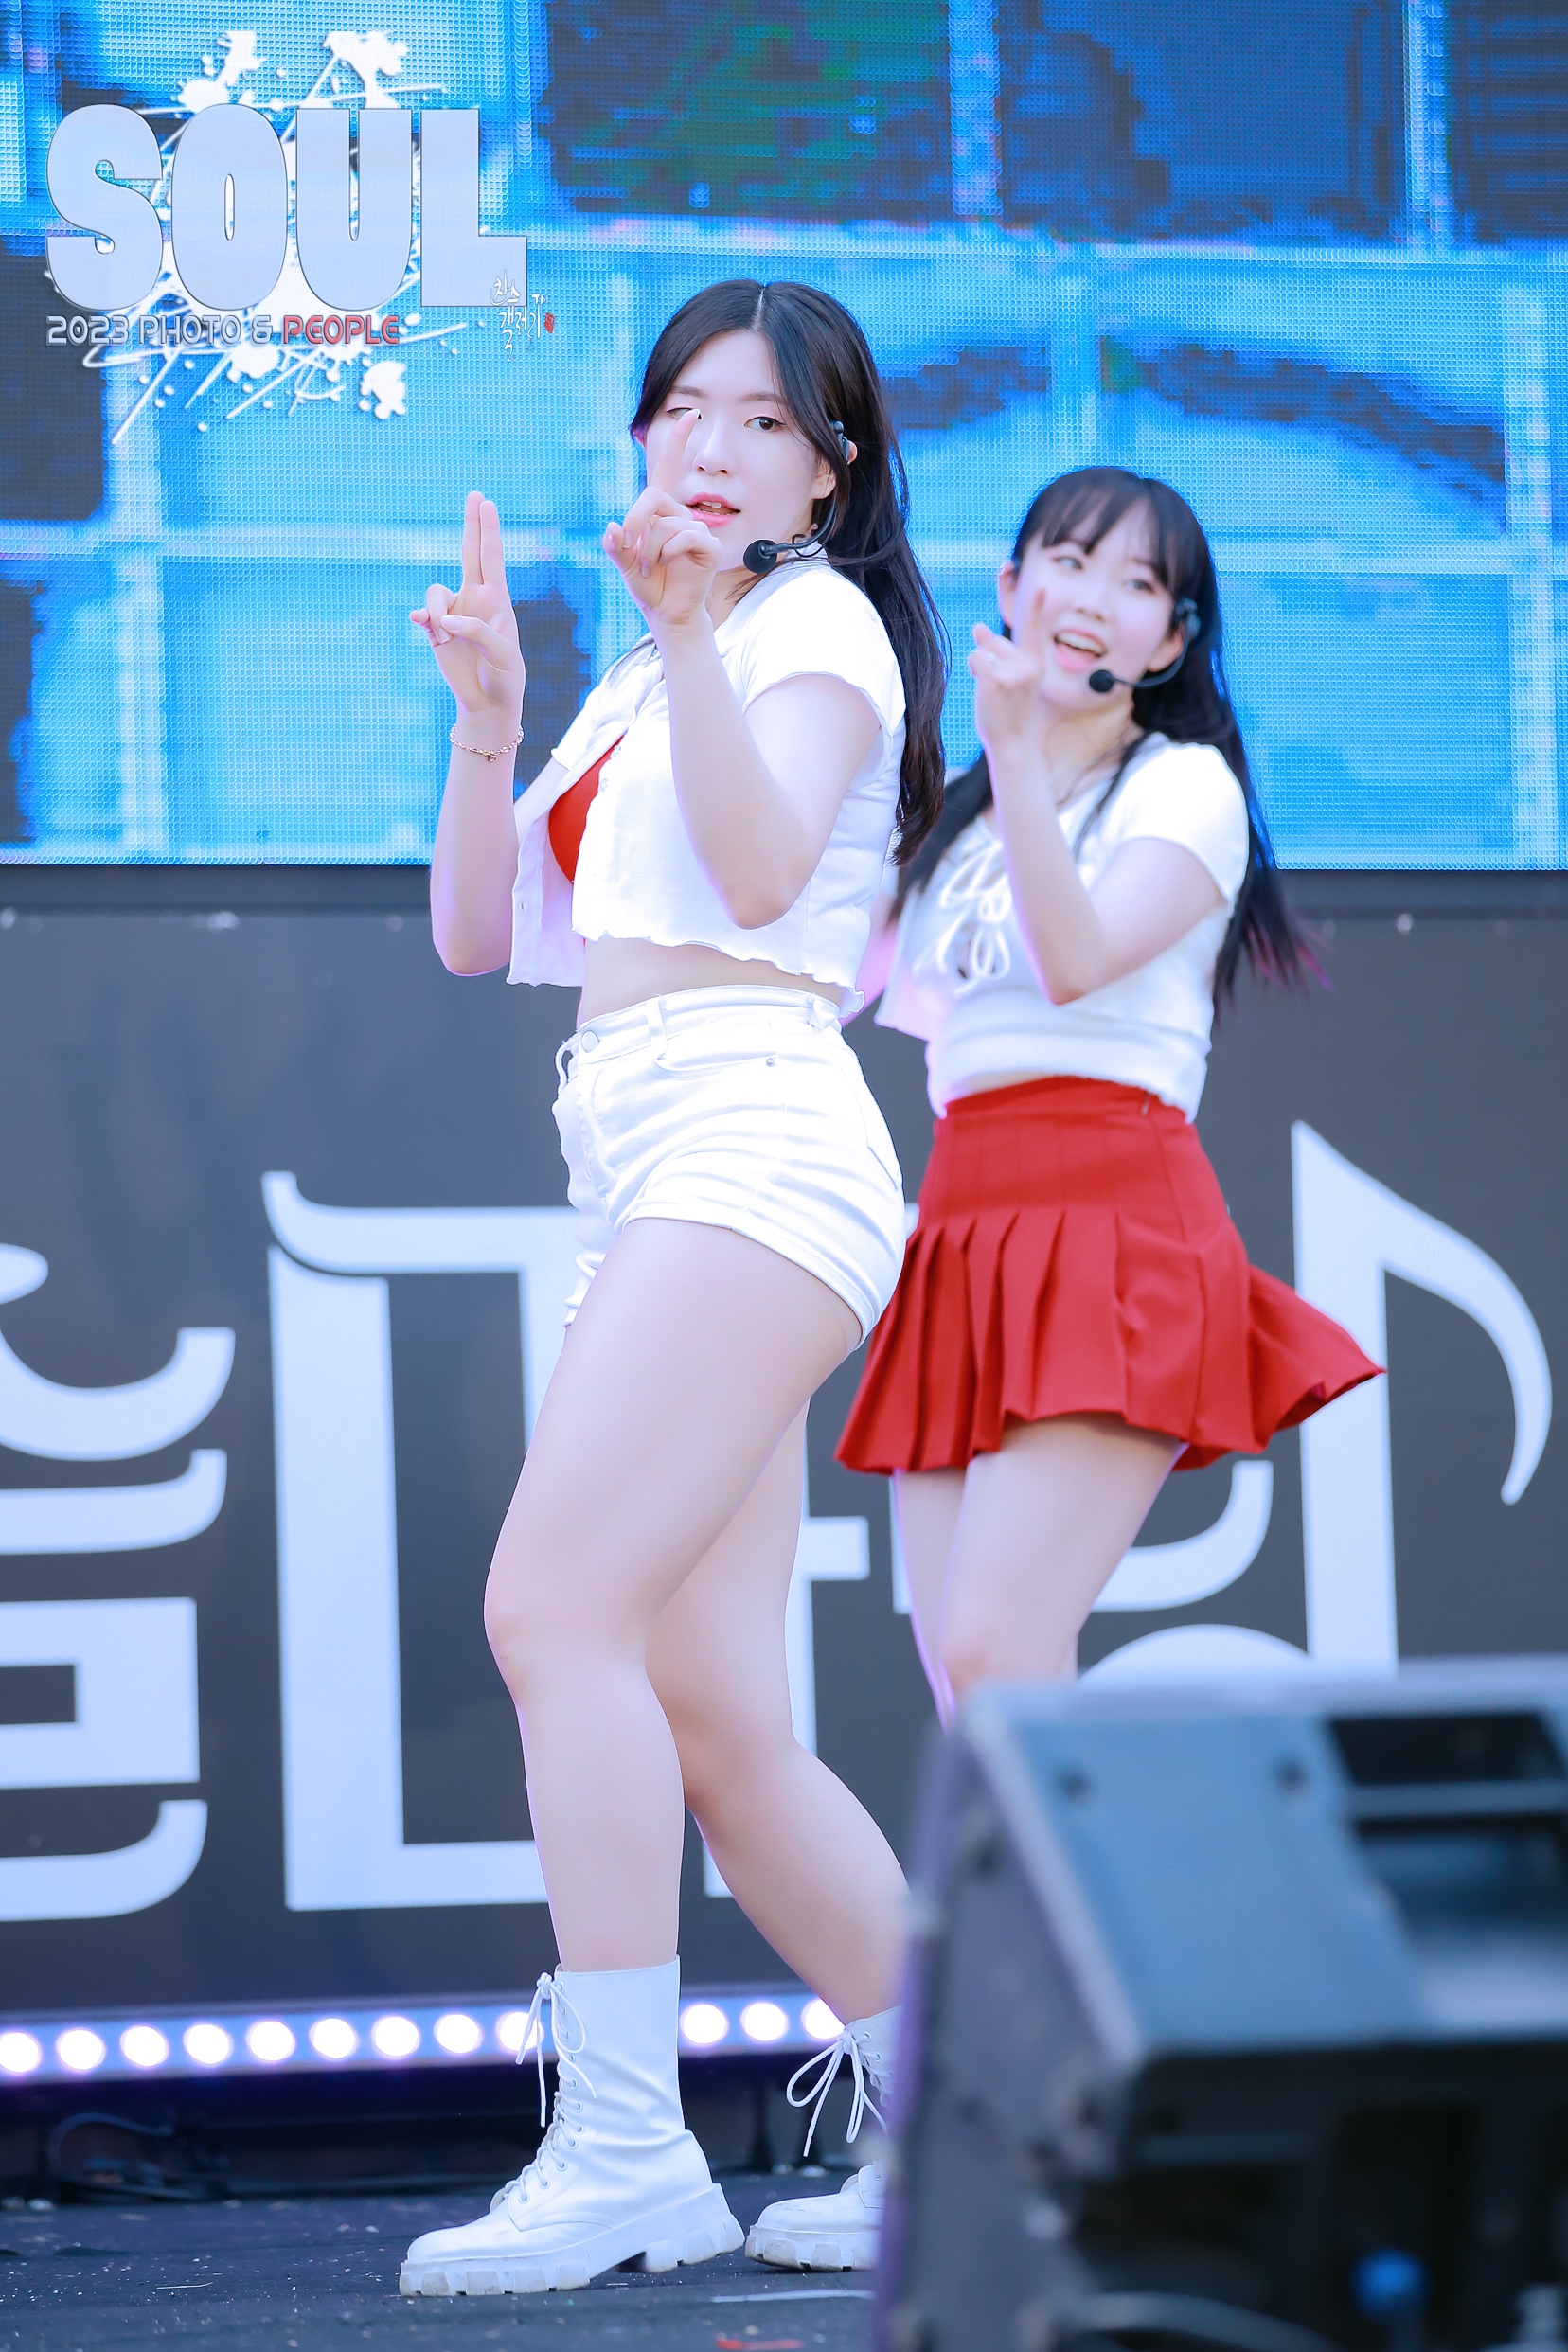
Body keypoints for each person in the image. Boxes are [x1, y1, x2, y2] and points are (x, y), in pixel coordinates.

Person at [397, 280, 948, 2295]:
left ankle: (628, 2144)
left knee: (553, 1611)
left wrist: (699, 637)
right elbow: (480, 938)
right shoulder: (651, 668)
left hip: (754, 1135)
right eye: (681, 410)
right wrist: (490, 722)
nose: (709, 447)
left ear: (830, 472)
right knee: (718, 1714)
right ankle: (970, 2126)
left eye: (763, 421)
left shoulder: (810, 629)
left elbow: (756, 871)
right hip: (639, 1154)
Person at [838, 467, 1380, 1719]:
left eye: (1138, 584)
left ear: (1170, 642)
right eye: (1071, 562)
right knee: (970, 1686)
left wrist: (1016, 755)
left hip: (1114, 1222)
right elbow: (823, 968)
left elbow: (1075, 962)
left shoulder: (1182, 788)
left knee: (997, 1646)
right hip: (964, 1226)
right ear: (1012, 585)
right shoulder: (954, 820)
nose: (1092, 599)